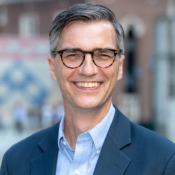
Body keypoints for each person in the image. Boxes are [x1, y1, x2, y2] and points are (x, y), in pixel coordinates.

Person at [0, 4, 175, 175]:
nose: (88, 70)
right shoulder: (16, 161)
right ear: (52, 67)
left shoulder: (163, 161)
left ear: (120, 67)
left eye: (103, 55)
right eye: (73, 55)